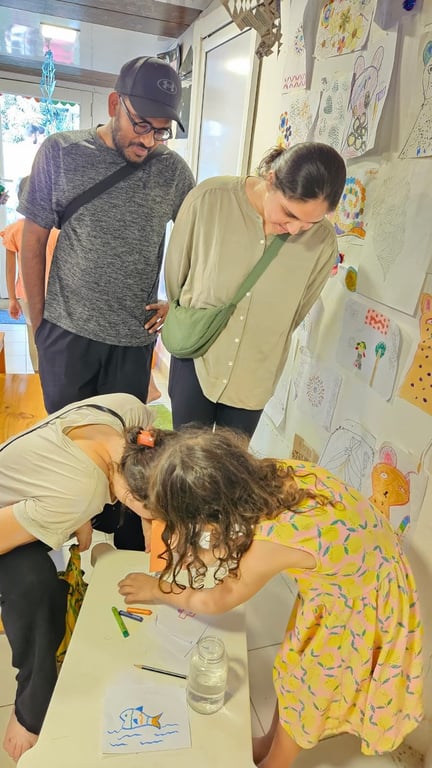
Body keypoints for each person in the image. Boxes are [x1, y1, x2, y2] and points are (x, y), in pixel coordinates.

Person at [118, 428, 424, 768]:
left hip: (360, 606)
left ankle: (277, 761)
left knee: (308, 689)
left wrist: (157, 590)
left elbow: (219, 600)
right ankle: (269, 742)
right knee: (295, 668)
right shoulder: (268, 473)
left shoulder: (270, 542)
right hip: (360, 574)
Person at [0, 392, 176, 762]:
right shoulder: (80, 491)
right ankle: (31, 703)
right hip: (5, 514)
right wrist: (71, 510)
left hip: (34, 482)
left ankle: (91, 536)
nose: (156, 525)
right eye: (156, 515)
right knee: (35, 587)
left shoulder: (131, 413)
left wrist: (80, 515)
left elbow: (70, 472)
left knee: (108, 518)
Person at [18, 56, 195, 414]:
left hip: (132, 343)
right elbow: (32, 241)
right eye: (141, 125)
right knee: (68, 445)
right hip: (66, 335)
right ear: (115, 104)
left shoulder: (172, 171)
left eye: (160, 131)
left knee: (121, 449)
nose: (149, 141)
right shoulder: (61, 152)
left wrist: (178, 303)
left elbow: (201, 241)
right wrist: (41, 327)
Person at [164, 142, 346, 437]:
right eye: (289, 213)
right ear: (271, 179)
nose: (295, 229)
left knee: (233, 470)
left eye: (309, 222)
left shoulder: (323, 244)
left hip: (255, 374)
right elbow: (176, 274)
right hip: (197, 356)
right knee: (182, 460)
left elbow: (297, 311)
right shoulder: (210, 199)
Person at [1, 176, 59, 372]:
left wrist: (12, 299)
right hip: (42, 295)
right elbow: (10, 268)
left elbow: (10, 270)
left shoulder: (56, 229)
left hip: (41, 296)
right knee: (48, 338)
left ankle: (41, 375)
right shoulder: (55, 229)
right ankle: (46, 376)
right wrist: (12, 299)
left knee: (39, 337)